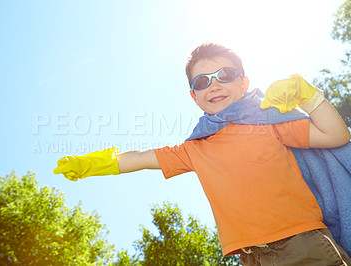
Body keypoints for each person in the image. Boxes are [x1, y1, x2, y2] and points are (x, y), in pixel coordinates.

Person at [54, 43, 351, 265]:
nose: (214, 84)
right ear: (194, 96)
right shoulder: (195, 149)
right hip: (250, 258)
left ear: (244, 82)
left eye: (226, 74)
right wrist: (92, 163)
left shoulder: (268, 123)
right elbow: (141, 158)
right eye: (201, 81)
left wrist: (308, 96)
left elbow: (337, 136)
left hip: (303, 245)